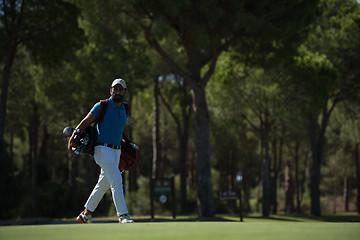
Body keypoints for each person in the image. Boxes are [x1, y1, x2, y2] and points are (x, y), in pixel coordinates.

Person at [68, 78, 134, 224]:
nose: (117, 91)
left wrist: (129, 143)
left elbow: (124, 126)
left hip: (117, 151)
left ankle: (85, 215)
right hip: (102, 149)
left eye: (120, 89)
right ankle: (123, 215)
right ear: (111, 90)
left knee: (103, 184)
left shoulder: (125, 108)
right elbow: (85, 122)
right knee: (116, 179)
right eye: (114, 89)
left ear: (124, 92)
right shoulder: (101, 105)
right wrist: (72, 138)